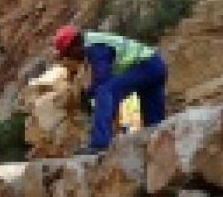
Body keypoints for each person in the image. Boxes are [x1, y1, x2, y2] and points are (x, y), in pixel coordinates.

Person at [52, 25, 168, 154]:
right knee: (154, 124)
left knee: (105, 91)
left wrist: (88, 94)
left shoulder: (95, 47)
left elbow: (103, 79)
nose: (70, 58)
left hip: (145, 66)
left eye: (68, 54)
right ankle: (161, 147)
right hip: (156, 65)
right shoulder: (94, 42)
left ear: (75, 45)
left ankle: (100, 143)